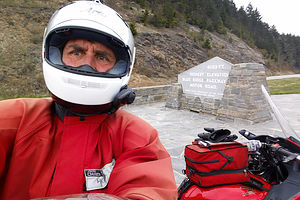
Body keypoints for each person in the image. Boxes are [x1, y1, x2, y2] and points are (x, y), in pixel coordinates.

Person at [0, 1, 178, 199]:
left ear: (121, 67)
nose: (86, 65)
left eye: (102, 57)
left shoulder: (138, 137)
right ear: (54, 55)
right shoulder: (13, 118)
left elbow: (150, 191)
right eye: (76, 52)